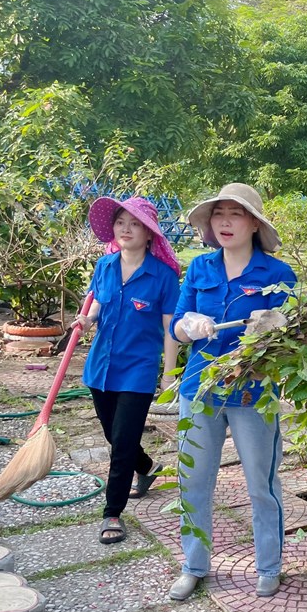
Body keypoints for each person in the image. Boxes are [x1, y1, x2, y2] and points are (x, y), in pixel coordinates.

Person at [167, 183, 297, 602]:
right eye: (218, 214)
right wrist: (189, 325)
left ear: (254, 223)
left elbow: (297, 336)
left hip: (252, 394)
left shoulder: (277, 274)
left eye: (235, 214)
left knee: (261, 483)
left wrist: (276, 326)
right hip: (199, 389)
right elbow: (177, 328)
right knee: (193, 481)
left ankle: (269, 566)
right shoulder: (200, 268)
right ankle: (194, 565)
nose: (224, 222)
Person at [80, 196, 181, 545]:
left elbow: (170, 329)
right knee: (115, 434)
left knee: (121, 445)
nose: (126, 228)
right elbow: (97, 304)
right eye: (121, 221)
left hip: (137, 370)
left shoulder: (163, 277)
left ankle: (112, 513)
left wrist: (169, 375)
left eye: (135, 223)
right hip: (100, 367)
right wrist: (86, 320)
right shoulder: (104, 265)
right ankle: (148, 467)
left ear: (149, 233)